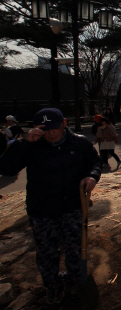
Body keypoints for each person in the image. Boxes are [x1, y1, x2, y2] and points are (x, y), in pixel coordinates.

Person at [0, 108, 102, 306]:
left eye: (55, 127)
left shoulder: (79, 142)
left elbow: (95, 162)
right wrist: (23, 144)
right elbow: (6, 168)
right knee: (47, 252)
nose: (51, 133)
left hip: (72, 207)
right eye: (45, 129)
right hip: (42, 210)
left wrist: (93, 175)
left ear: (64, 123)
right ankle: (52, 286)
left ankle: (74, 283)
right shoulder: (31, 146)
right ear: (37, 128)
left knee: (74, 249)